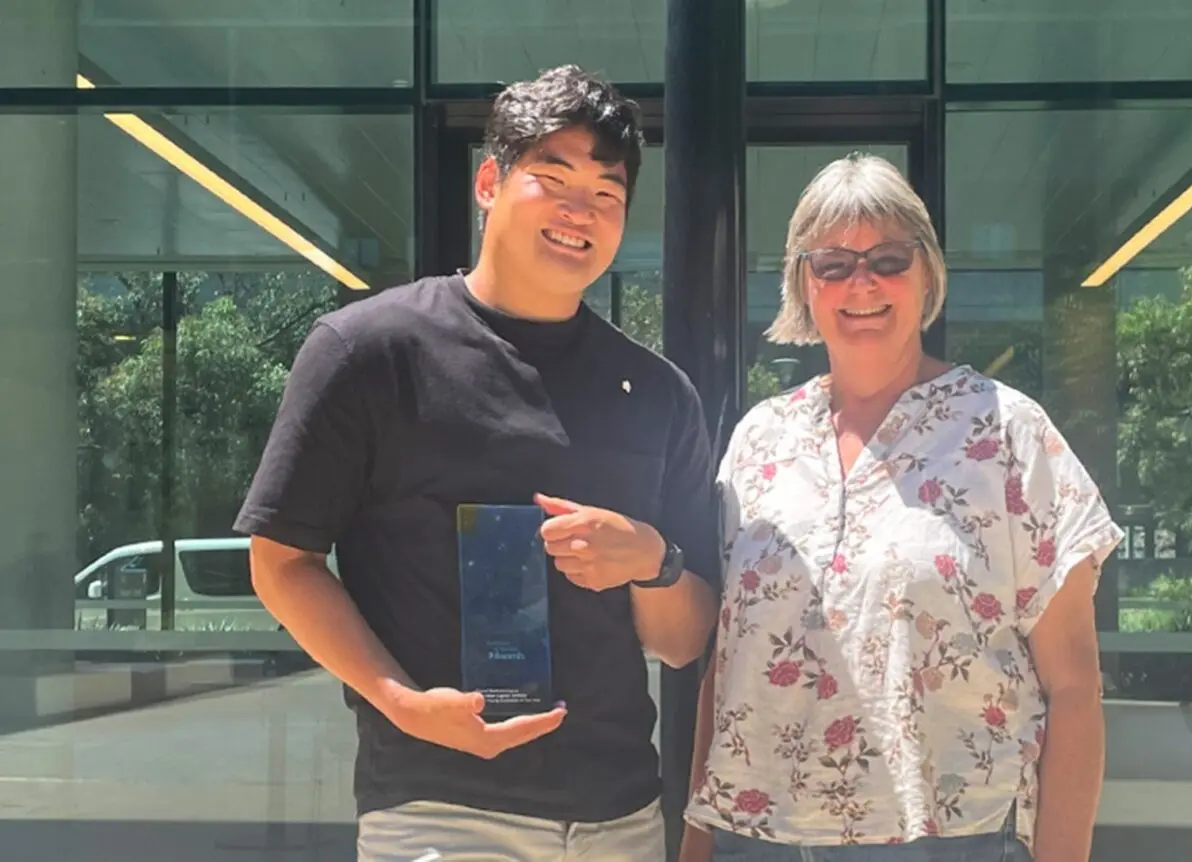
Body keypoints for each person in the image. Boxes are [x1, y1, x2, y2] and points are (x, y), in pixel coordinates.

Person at [235, 65, 720, 861]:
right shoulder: (368, 352)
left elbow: (684, 637)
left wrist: (652, 561)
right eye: (553, 178)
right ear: (489, 182)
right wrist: (399, 702)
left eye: (606, 194)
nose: (579, 212)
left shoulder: (658, 394)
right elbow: (281, 562)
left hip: (621, 813)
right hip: (440, 805)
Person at [679, 153, 1123, 862]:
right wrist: (696, 840)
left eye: (888, 257)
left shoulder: (1008, 434)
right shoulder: (760, 439)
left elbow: (1073, 687)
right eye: (832, 264)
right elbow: (726, 666)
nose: (862, 283)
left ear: (926, 274)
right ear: (803, 283)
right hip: (753, 837)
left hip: (952, 836)